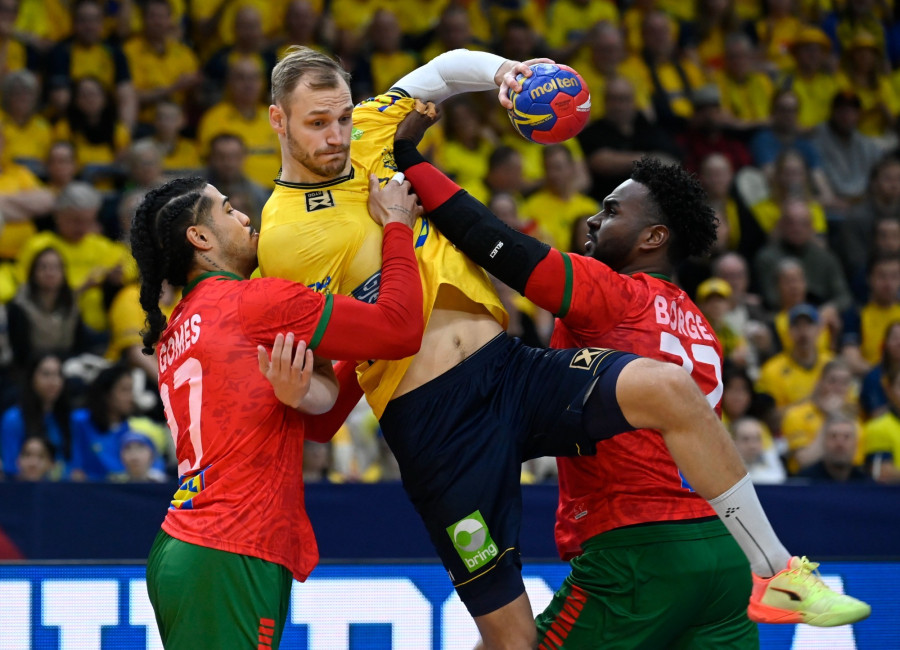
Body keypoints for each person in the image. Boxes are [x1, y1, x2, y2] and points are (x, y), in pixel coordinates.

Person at [259, 46, 870, 646]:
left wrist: (504, 72)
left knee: (667, 387)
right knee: (512, 641)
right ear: (278, 121)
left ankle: (775, 571)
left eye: (342, 116)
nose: (337, 134)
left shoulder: (371, 128)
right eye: (318, 123)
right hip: (434, 424)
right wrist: (301, 393)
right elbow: (322, 389)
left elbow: (443, 71)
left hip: (508, 368)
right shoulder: (284, 239)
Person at [134, 176, 425, 649]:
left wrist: (322, 378)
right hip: (229, 547)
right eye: (228, 210)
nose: (246, 217)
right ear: (200, 237)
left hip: (199, 543)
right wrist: (397, 226)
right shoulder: (256, 302)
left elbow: (318, 422)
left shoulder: (182, 327)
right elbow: (401, 328)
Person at [798, 415, 870, 483]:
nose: (840, 443)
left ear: (856, 444)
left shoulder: (866, 486)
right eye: (833, 436)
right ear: (823, 442)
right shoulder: (804, 483)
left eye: (846, 437)